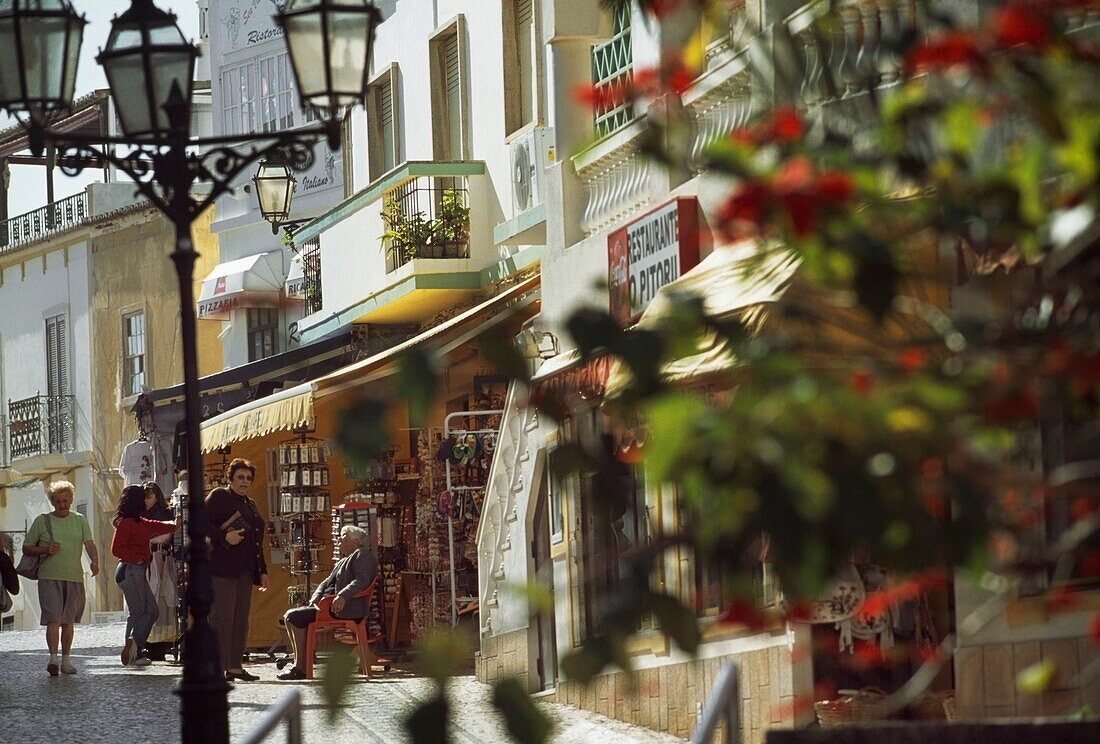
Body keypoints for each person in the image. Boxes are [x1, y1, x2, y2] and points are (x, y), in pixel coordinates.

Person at [277, 524, 379, 681]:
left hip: (347, 607)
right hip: (330, 605)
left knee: (293, 616)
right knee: (290, 616)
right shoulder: (342, 560)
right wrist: (316, 596)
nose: (338, 540)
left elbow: (362, 580)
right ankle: (300, 664)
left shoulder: (363, 555)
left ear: (355, 540)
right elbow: (326, 582)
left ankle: (300, 667)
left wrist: (343, 595)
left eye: (343, 536)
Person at [22, 480, 99, 676]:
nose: (62, 505)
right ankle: (53, 659)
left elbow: (89, 543)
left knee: (68, 622)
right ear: (52, 502)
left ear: (71, 500)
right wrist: (45, 549)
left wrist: (95, 561)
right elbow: (27, 547)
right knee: (53, 620)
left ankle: (66, 661)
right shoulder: (42, 521)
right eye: (58, 501)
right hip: (49, 576)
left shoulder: (80, 520)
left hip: (73, 577)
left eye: (65, 501)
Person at [206, 458, 269, 681]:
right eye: (240, 477)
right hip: (221, 569)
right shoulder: (219, 496)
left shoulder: (251, 504)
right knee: (222, 619)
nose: (244, 481)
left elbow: (257, 541)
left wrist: (262, 570)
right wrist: (224, 535)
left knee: (241, 620)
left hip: (245, 570)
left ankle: (234, 667)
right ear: (230, 477)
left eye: (248, 478)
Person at [110, 484, 178, 668]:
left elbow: (158, 526)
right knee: (139, 612)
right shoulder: (126, 523)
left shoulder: (139, 522)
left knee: (151, 611)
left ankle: (134, 644)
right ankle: (135, 650)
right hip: (130, 570)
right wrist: (139, 559)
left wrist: (176, 523)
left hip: (134, 571)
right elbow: (116, 549)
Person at [143, 481, 179, 661]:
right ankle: (149, 642)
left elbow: (167, 534)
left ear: (156, 497)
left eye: (149, 497)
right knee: (150, 598)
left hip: (161, 559)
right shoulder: (142, 514)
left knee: (163, 599)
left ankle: (162, 644)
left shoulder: (164, 514)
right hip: (149, 560)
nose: (147, 501)